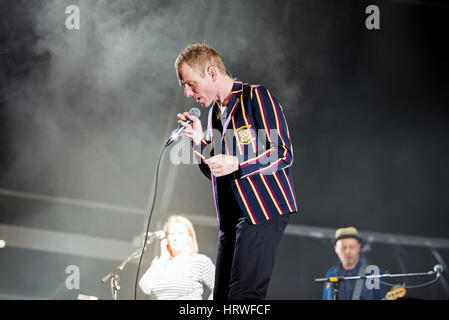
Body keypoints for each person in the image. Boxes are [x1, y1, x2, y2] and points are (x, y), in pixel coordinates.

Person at [175, 44, 298, 300]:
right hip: (232, 220)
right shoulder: (214, 116)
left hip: (261, 210)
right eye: (184, 86)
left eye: (191, 84)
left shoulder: (255, 96)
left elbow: (282, 152)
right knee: (220, 298)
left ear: (211, 73)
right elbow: (217, 170)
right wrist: (200, 142)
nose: (188, 93)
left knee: (243, 297)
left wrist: (239, 164)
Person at [139, 215, 215, 300]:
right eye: (172, 234)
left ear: (189, 238)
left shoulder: (200, 261)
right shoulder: (159, 262)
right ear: (166, 239)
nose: (175, 237)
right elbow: (145, 287)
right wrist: (162, 258)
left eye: (180, 233)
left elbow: (220, 285)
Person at [322, 226, 389, 300]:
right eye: (343, 247)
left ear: (359, 247)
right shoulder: (331, 273)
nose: (347, 252)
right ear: (335, 248)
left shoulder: (374, 273)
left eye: (352, 247)